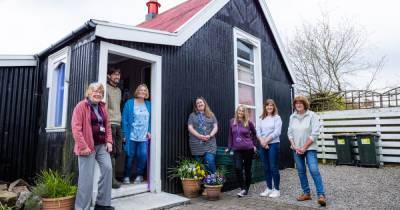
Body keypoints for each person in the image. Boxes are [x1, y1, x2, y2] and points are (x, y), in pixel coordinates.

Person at [71, 83, 114, 210]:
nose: (98, 94)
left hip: (101, 145)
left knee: (108, 169)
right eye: (95, 91)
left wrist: (109, 141)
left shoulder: (102, 107)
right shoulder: (81, 106)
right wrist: (83, 146)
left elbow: (107, 126)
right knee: (86, 179)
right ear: (89, 93)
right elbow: (76, 128)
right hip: (87, 146)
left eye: (100, 92)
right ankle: (81, 208)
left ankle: (102, 204)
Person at [288, 95, 326, 206]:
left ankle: (321, 195)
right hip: (296, 149)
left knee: (314, 169)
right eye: (296, 103)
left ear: (305, 104)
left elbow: (315, 133)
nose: (298, 105)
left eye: (300, 103)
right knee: (301, 171)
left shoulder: (312, 115)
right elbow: (289, 132)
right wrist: (294, 146)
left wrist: (304, 147)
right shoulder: (292, 117)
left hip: (309, 148)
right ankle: (306, 193)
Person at [122, 84, 151, 184]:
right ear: (137, 91)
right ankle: (126, 176)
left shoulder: (149, 104)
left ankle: (139, 175)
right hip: (131, 135)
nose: (142, 92)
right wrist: (124, 134)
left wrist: (150, 131)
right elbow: (124, 120)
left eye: (144, 90)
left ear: (146, 93)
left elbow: (151, 120)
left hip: (144, 136)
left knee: (143, 155)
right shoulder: (129, 103)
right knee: (130, 156)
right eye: (140, 90)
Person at [226, 105, 257, 197]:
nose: (240, 113)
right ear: (237, 111)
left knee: (247, 169)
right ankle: (243, 188)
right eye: (239, 111)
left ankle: (246, 189)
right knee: (238, 168)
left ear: (245, 113)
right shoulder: (232, 121)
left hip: (248, 149)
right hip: (236, 149)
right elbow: (230, 135)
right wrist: (229, 147)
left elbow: (254, 134)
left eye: (242, 111)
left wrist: (254, 145)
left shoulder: (249, 122)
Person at [257, 99, 282, 198]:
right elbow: (258, 131)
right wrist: (262, 142)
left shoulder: (277, 118)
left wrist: (266, 141)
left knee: (273, 167)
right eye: (268, 105)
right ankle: (269, 188)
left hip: (273, 144)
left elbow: (277, 132)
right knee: (266, 167)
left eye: (271, 105)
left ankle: (276, 189)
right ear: (265, 107)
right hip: (263, 144)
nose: (269, 107)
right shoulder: (261, 118)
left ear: (274, 107)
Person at [187, 97, 218, 174]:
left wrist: (210, 135)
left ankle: (213, 181)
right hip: (196, 144)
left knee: (209, 161)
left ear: (204, 103)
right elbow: (190, 127)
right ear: (196, 106)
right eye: (198, 103)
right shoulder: (192, 115)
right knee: (199, 166)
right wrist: (199, 136)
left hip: (209, 143)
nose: (200, 104)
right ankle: (202, 184)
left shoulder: (211, 114)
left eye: (201, 102)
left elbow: (215, 126)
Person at [106, 67, 122, 189]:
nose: (117, 76)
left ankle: (113, 177)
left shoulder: (119, 91)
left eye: (118, 74)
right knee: (110, 153)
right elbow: (105, 108)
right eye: (114, 74)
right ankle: (111, 180)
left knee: (117, 152)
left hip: (118, 124)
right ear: (108, 76)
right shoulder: (106, 88)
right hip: (110, 123)